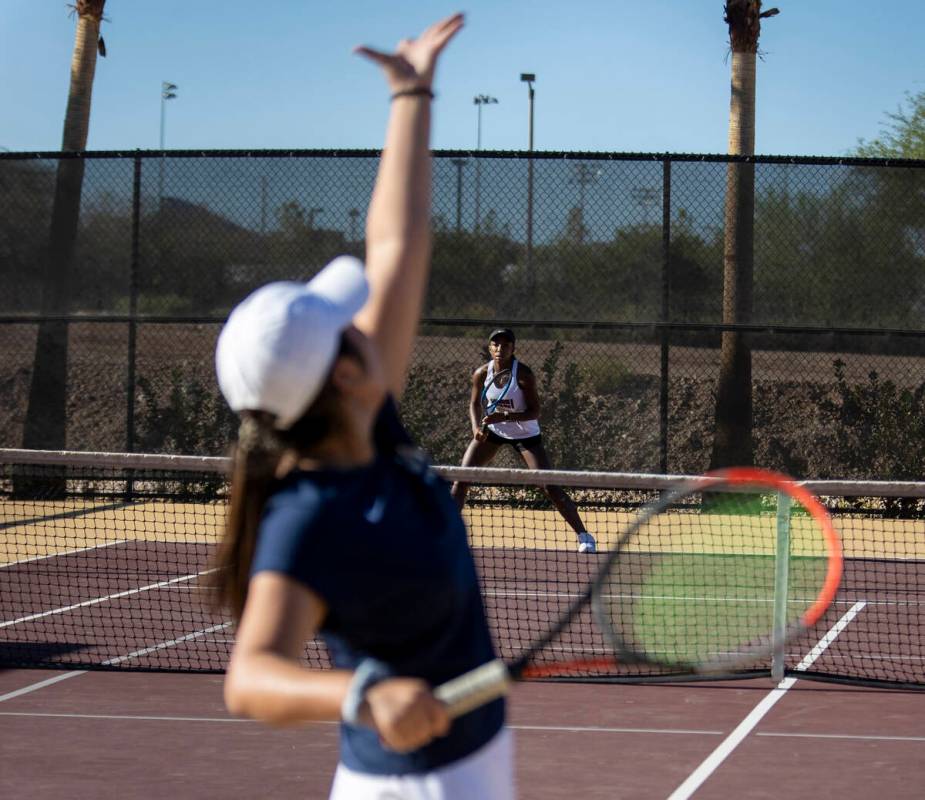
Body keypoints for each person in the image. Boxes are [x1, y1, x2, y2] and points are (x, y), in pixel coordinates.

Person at [213, 15, 514, 800]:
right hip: (413, 789)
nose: (367, 320)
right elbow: (249, 678)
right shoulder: (309, 514)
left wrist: (411, 93)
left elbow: (398, 245)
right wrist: (361, 694)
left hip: (474, 764)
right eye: (348, 327)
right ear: (344, 376)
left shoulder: (369, 419)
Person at [450, 328, 597, 554]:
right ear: (490, 348)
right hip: (493, 431)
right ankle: (446, 536)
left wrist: (505, 416)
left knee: (549, 485)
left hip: (525, 434)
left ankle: (584, 536)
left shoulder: (524, 375)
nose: (500, 349)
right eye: (495, 344)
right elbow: (474, 404)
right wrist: (475, 426)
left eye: (505, 345)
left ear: (513, 349)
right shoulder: (481, 373)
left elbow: (535, 411)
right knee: (461, 479)